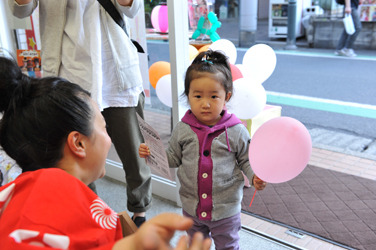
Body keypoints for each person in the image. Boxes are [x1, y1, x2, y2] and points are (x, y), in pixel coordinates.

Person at [0, 56, 212, 250]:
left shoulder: (17, 190)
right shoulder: (71, 202)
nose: (109, 138)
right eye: (104, 128)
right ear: (78, 143)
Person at [9, 0, 151, 227]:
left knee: (134, 152)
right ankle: (89, 211)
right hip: (67, 71)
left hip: (115, 72)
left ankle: (139, 210)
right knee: (76, 155)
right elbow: (20, 9)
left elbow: (132, 8)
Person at [139, 50, 266, 250]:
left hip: (226, 210)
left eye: (214, 96)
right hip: (192, 208)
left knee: (228, 246)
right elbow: (173, 157)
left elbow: (246, 159)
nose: (205, 104)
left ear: (227, 96)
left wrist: (255, 175)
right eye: (197, 96)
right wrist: (153, 153)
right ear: (188, 95)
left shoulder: (236, 130)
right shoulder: (183, 128)